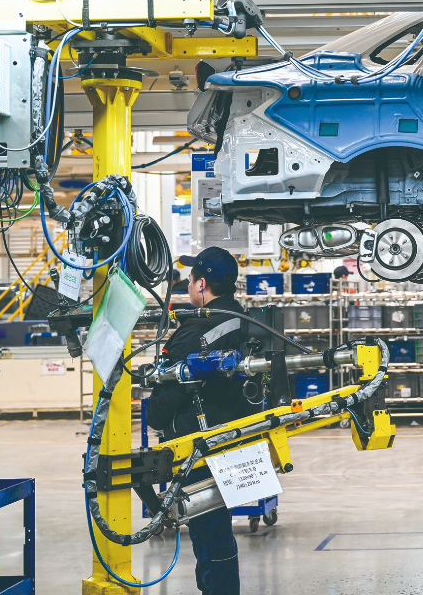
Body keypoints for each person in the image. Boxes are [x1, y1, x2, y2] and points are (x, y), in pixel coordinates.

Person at [147, 247, 248, 595]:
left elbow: (166, 394)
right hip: (235, 436)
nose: (189, 285)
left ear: (201, 284)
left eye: (191, 279)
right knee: (218, 527)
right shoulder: (245, 318)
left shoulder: (195, 331)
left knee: (208, 531)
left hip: (198, 445)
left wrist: (153, 415)